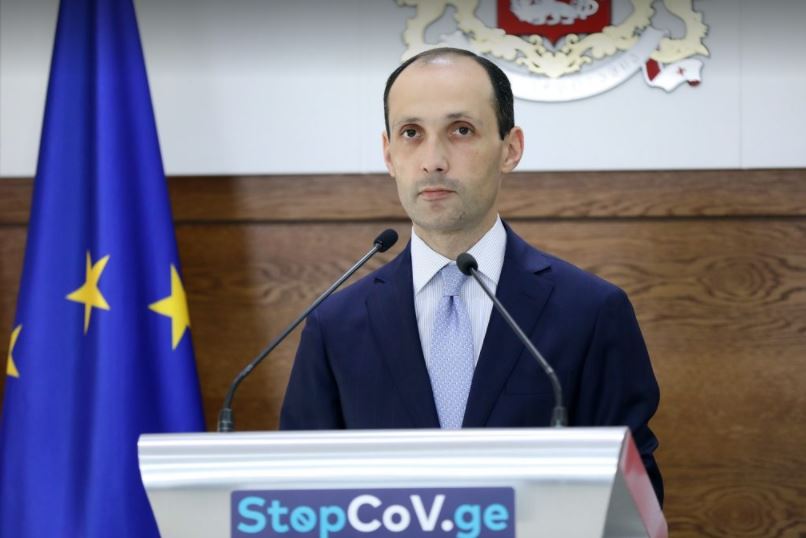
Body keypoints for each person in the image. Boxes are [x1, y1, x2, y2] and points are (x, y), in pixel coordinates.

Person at [280, 47, 663, 504]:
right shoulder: (335, 326)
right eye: (411, 133)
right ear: (388, 154)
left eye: (461, 130)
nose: (433, 160)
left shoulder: (590, 312)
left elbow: (633, 501)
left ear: (510, 149)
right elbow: (300, 497)